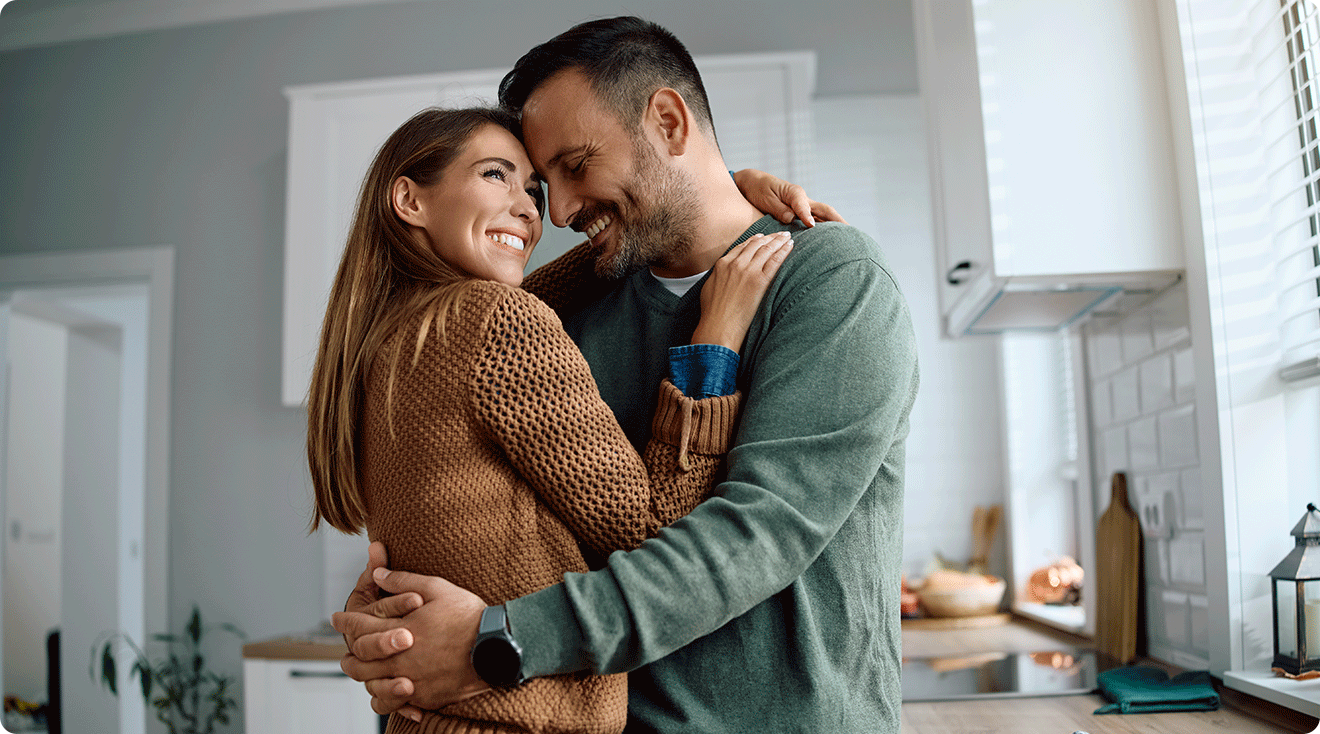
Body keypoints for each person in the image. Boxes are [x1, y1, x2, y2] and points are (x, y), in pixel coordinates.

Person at [333, 16, 919, 734]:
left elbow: (758, 534)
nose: (560, 211)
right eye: (544, 184)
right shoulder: (568, 306)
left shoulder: (833, 279)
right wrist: (397, 622)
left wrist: (498, 641)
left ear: (669, 123)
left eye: (575, 166)